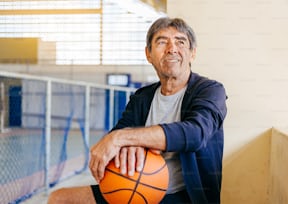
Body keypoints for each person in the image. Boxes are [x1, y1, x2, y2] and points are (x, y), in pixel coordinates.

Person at [48, 17, 227, 204]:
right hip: (131, 186)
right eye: (162, 41)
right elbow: (118, 133)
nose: (172, 48)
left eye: (180, 42)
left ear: (192, 53)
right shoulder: (142, 97)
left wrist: (124, 138)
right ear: (148, 54)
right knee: (59, 198)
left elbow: (195, 133)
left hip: (182, 196)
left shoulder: (211, 91)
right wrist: (122, 140)